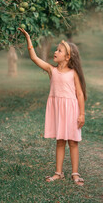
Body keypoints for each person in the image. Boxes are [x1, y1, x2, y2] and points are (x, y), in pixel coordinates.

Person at [18, 27, 87, 186]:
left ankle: (75, 173)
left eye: (59, 51)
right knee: (60, 141)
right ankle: (58, 173)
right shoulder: (52, 70)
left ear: (68, 57)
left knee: (73, 142)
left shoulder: (73, 73)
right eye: (56, 49)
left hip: (71, 110)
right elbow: (34, 58)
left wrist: (81, 114)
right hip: (58, 110)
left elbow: (80, 94)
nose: (55, 52)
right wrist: (28, 39)